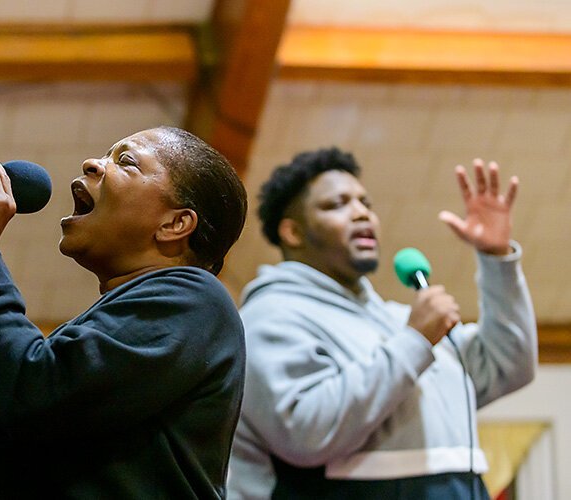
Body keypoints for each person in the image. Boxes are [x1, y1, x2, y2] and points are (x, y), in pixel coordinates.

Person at [0, 126, 248, 499]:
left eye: (126, 161)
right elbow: (14, 442)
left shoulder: (195, 299)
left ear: (174, 224)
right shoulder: (112, 331)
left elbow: (33, 394)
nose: (91, 163)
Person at [227, 148, 537, 499]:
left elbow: (509, 364)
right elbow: (306, 431)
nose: (361, 214)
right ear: (293, 232)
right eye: (337, 205)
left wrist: (496, 259)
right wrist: (415, 341)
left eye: (365, 203)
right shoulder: (271, 316)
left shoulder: (398, 319)